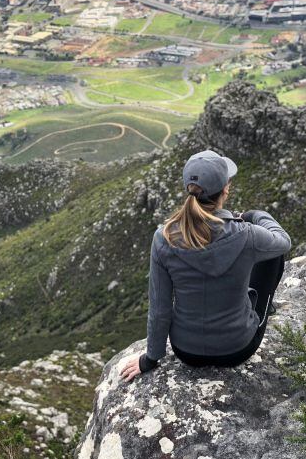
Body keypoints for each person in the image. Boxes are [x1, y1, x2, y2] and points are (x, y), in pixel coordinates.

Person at [121, 150, 291, 382]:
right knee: (273, 254)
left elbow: (160, 308)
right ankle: (262, 308)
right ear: (226, 189)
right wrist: (254, 215)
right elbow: (284, 242)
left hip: (186, 351)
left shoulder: (164, 238)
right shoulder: (247, 234)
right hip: (237, 349)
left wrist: (150, 358)